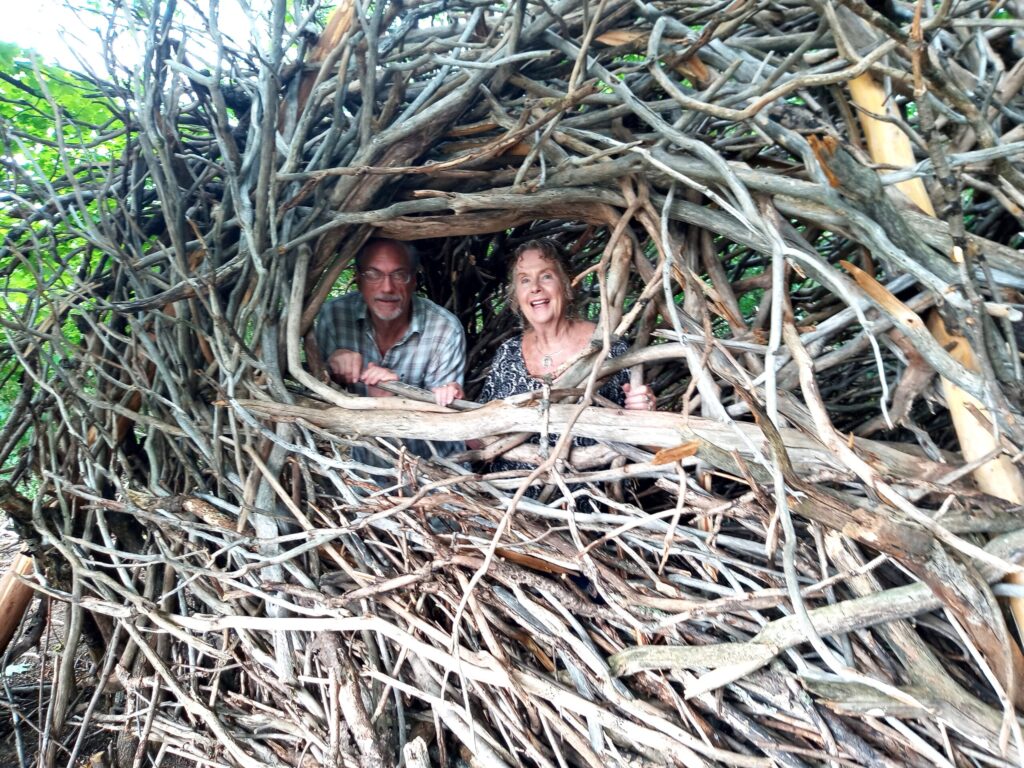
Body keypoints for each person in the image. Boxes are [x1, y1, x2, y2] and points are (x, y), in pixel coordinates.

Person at [476, 238, 656, 475]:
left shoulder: (608, 347)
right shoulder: (507, 354)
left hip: (586, 501)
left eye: (546, 276)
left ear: (568, 285)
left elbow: (648, 441)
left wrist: (645, 412)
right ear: (516, 296)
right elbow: (479, 436)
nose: (535, 287)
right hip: (510, 498)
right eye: (525, 279)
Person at [315, 238, 465, 461]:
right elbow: (318, 403)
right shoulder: (334, 318)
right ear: (357, 278)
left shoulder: (444, 329)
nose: (387, 287)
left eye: (399, 274)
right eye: (373, 274)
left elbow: (447, 419)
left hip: (436, 467)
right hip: (360, 468)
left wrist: (394, 397)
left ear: (413, 280)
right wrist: (330, 372)